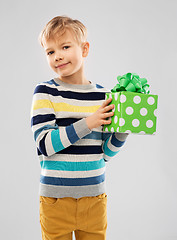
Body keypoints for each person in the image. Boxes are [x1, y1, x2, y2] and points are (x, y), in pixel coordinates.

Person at [31, 15, 128, 240]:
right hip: (56, 202)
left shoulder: (103, 96)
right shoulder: (45, 92)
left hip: (94, 199)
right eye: (50, 51)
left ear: (84, 49)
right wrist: (89, 123)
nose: (58, 56)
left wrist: (124, 128)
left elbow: (104, 154)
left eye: (65, 47)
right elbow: (45, 144)